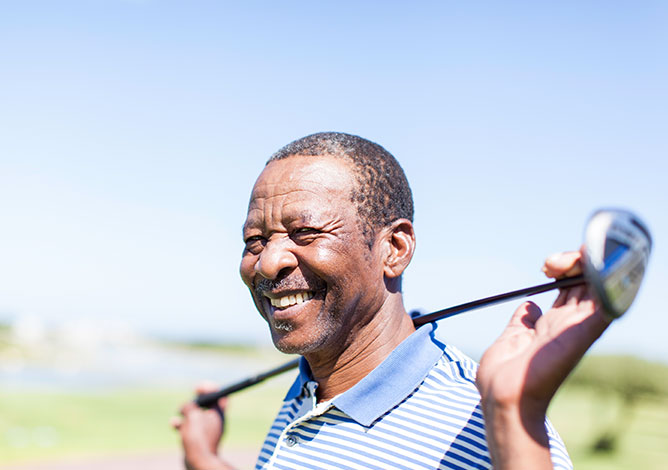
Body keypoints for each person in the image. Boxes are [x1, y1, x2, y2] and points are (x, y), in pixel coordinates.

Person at [172, 132, 612, 470]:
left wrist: (515, 418)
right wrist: (206, 460)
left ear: (394, 249)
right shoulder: (311, 384)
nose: (268, 263)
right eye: (255, 240)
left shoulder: (491, 428)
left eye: (305, 233)